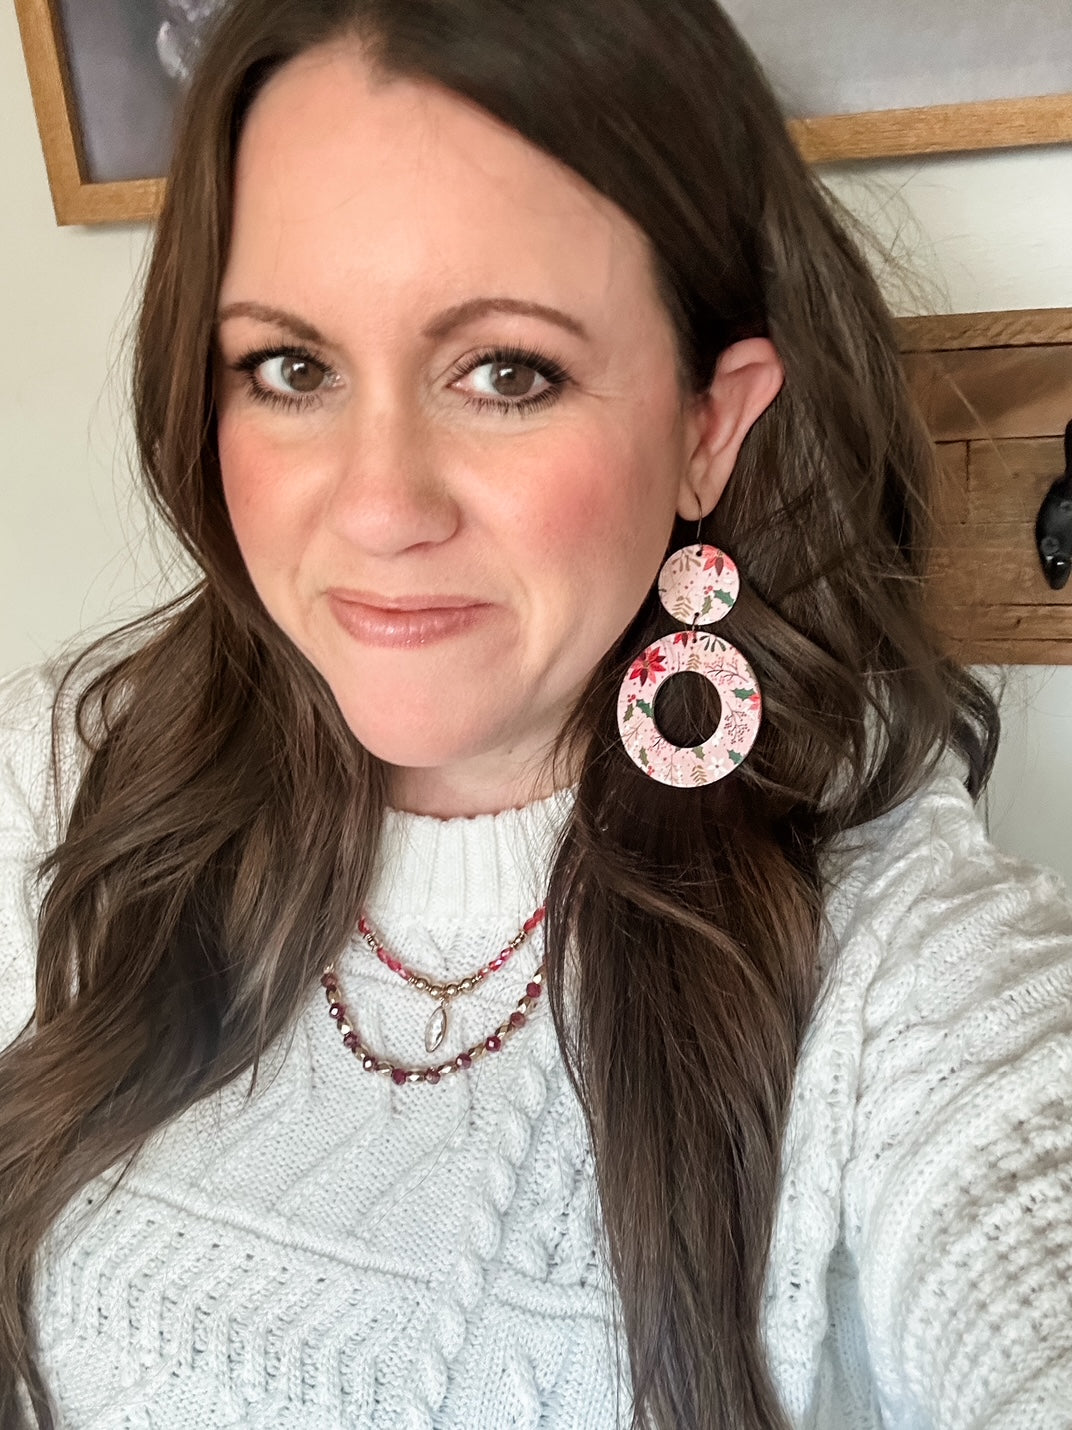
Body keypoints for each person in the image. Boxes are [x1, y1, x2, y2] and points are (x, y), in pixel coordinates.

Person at [2, 0, 1071, 1426]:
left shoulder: (887, 947)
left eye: (508, 372)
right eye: (292, 367)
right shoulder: (67, 779)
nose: (380, 507)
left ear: (709, 424)